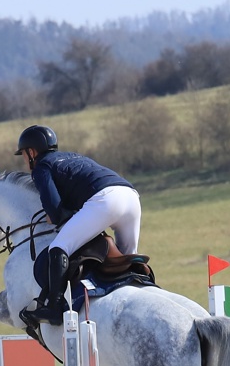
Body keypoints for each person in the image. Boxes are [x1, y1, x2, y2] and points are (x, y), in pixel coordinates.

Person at [16, 125, 142, 326]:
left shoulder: (41, 166)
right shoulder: (73, 156)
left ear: (32, 152)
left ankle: (54, 308)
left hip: (106, 201)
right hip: (131, 197)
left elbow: (55, 211)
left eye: (23, 154)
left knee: (59, 247)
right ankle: (141, 291)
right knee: (126, 258)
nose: (24, 159)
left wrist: (54, 216)